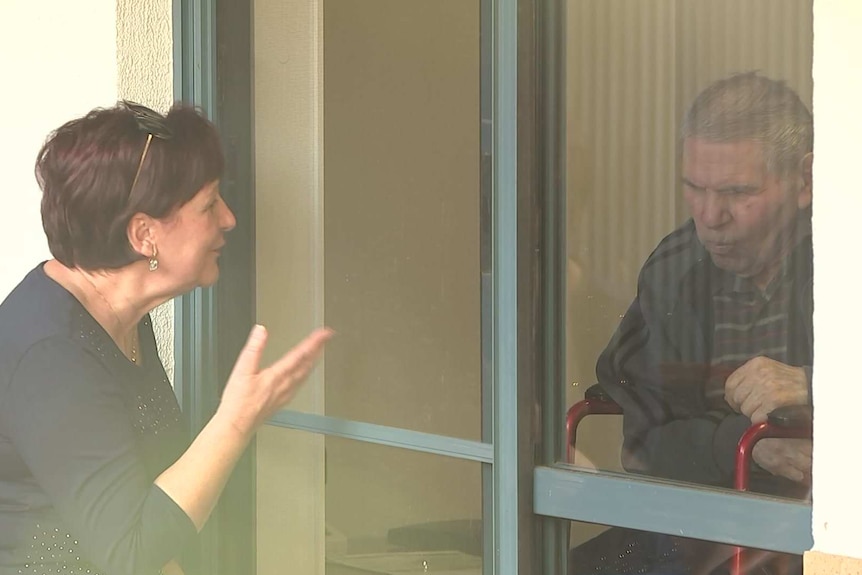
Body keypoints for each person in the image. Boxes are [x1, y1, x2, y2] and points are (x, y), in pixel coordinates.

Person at [0, 101, 332, 575]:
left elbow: (151, 499)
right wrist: (236, 420)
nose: (229, 219)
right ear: (144, 235)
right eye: (209, 204)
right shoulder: (50, 355)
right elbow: (132, 552)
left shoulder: (122, 318)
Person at [570, 72, 813, 574]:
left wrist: (823, 388)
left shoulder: (845, 259)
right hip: (696, 526)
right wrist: (747, 446)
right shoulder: (674, 271)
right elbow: (643, 445)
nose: (710, 216)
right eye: (693, 188)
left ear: (806, 182)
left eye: (738, 192)